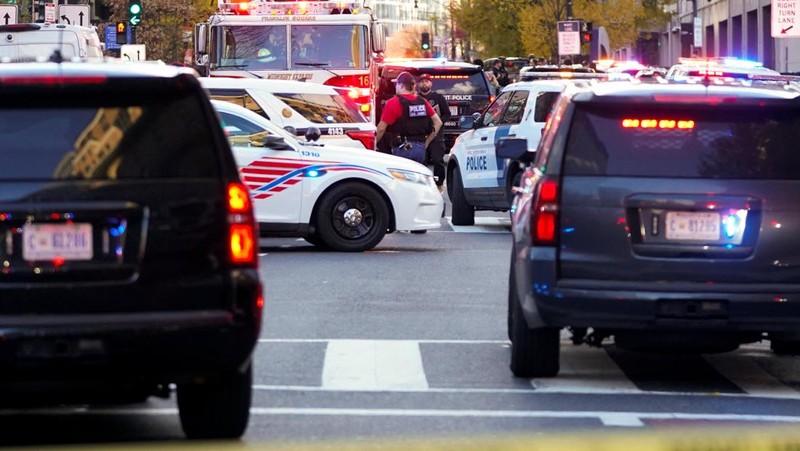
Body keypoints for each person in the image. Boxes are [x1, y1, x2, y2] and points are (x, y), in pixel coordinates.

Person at [375, 72, 442, 165]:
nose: (395, 87)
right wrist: (427, 142)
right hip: (420, 148)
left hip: (402, 148)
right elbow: (438, 122)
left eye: (396, 84)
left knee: (401, 178)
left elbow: (381, 128)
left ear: (401, 85)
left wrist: (373, 144)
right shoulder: (423, 101)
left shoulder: (393, 102)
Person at [417, 73, 451, 192]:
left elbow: (447, 114)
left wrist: (438, 122)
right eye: (422, 81)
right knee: (422, 160)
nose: (424, 83)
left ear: (431, 83)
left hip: (436, 133)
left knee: (437, 159)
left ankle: (439, 182)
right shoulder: (416, 98)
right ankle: (422, 183)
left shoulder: (438, 98)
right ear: (418, 84)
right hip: (420, 134)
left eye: (426, 81)